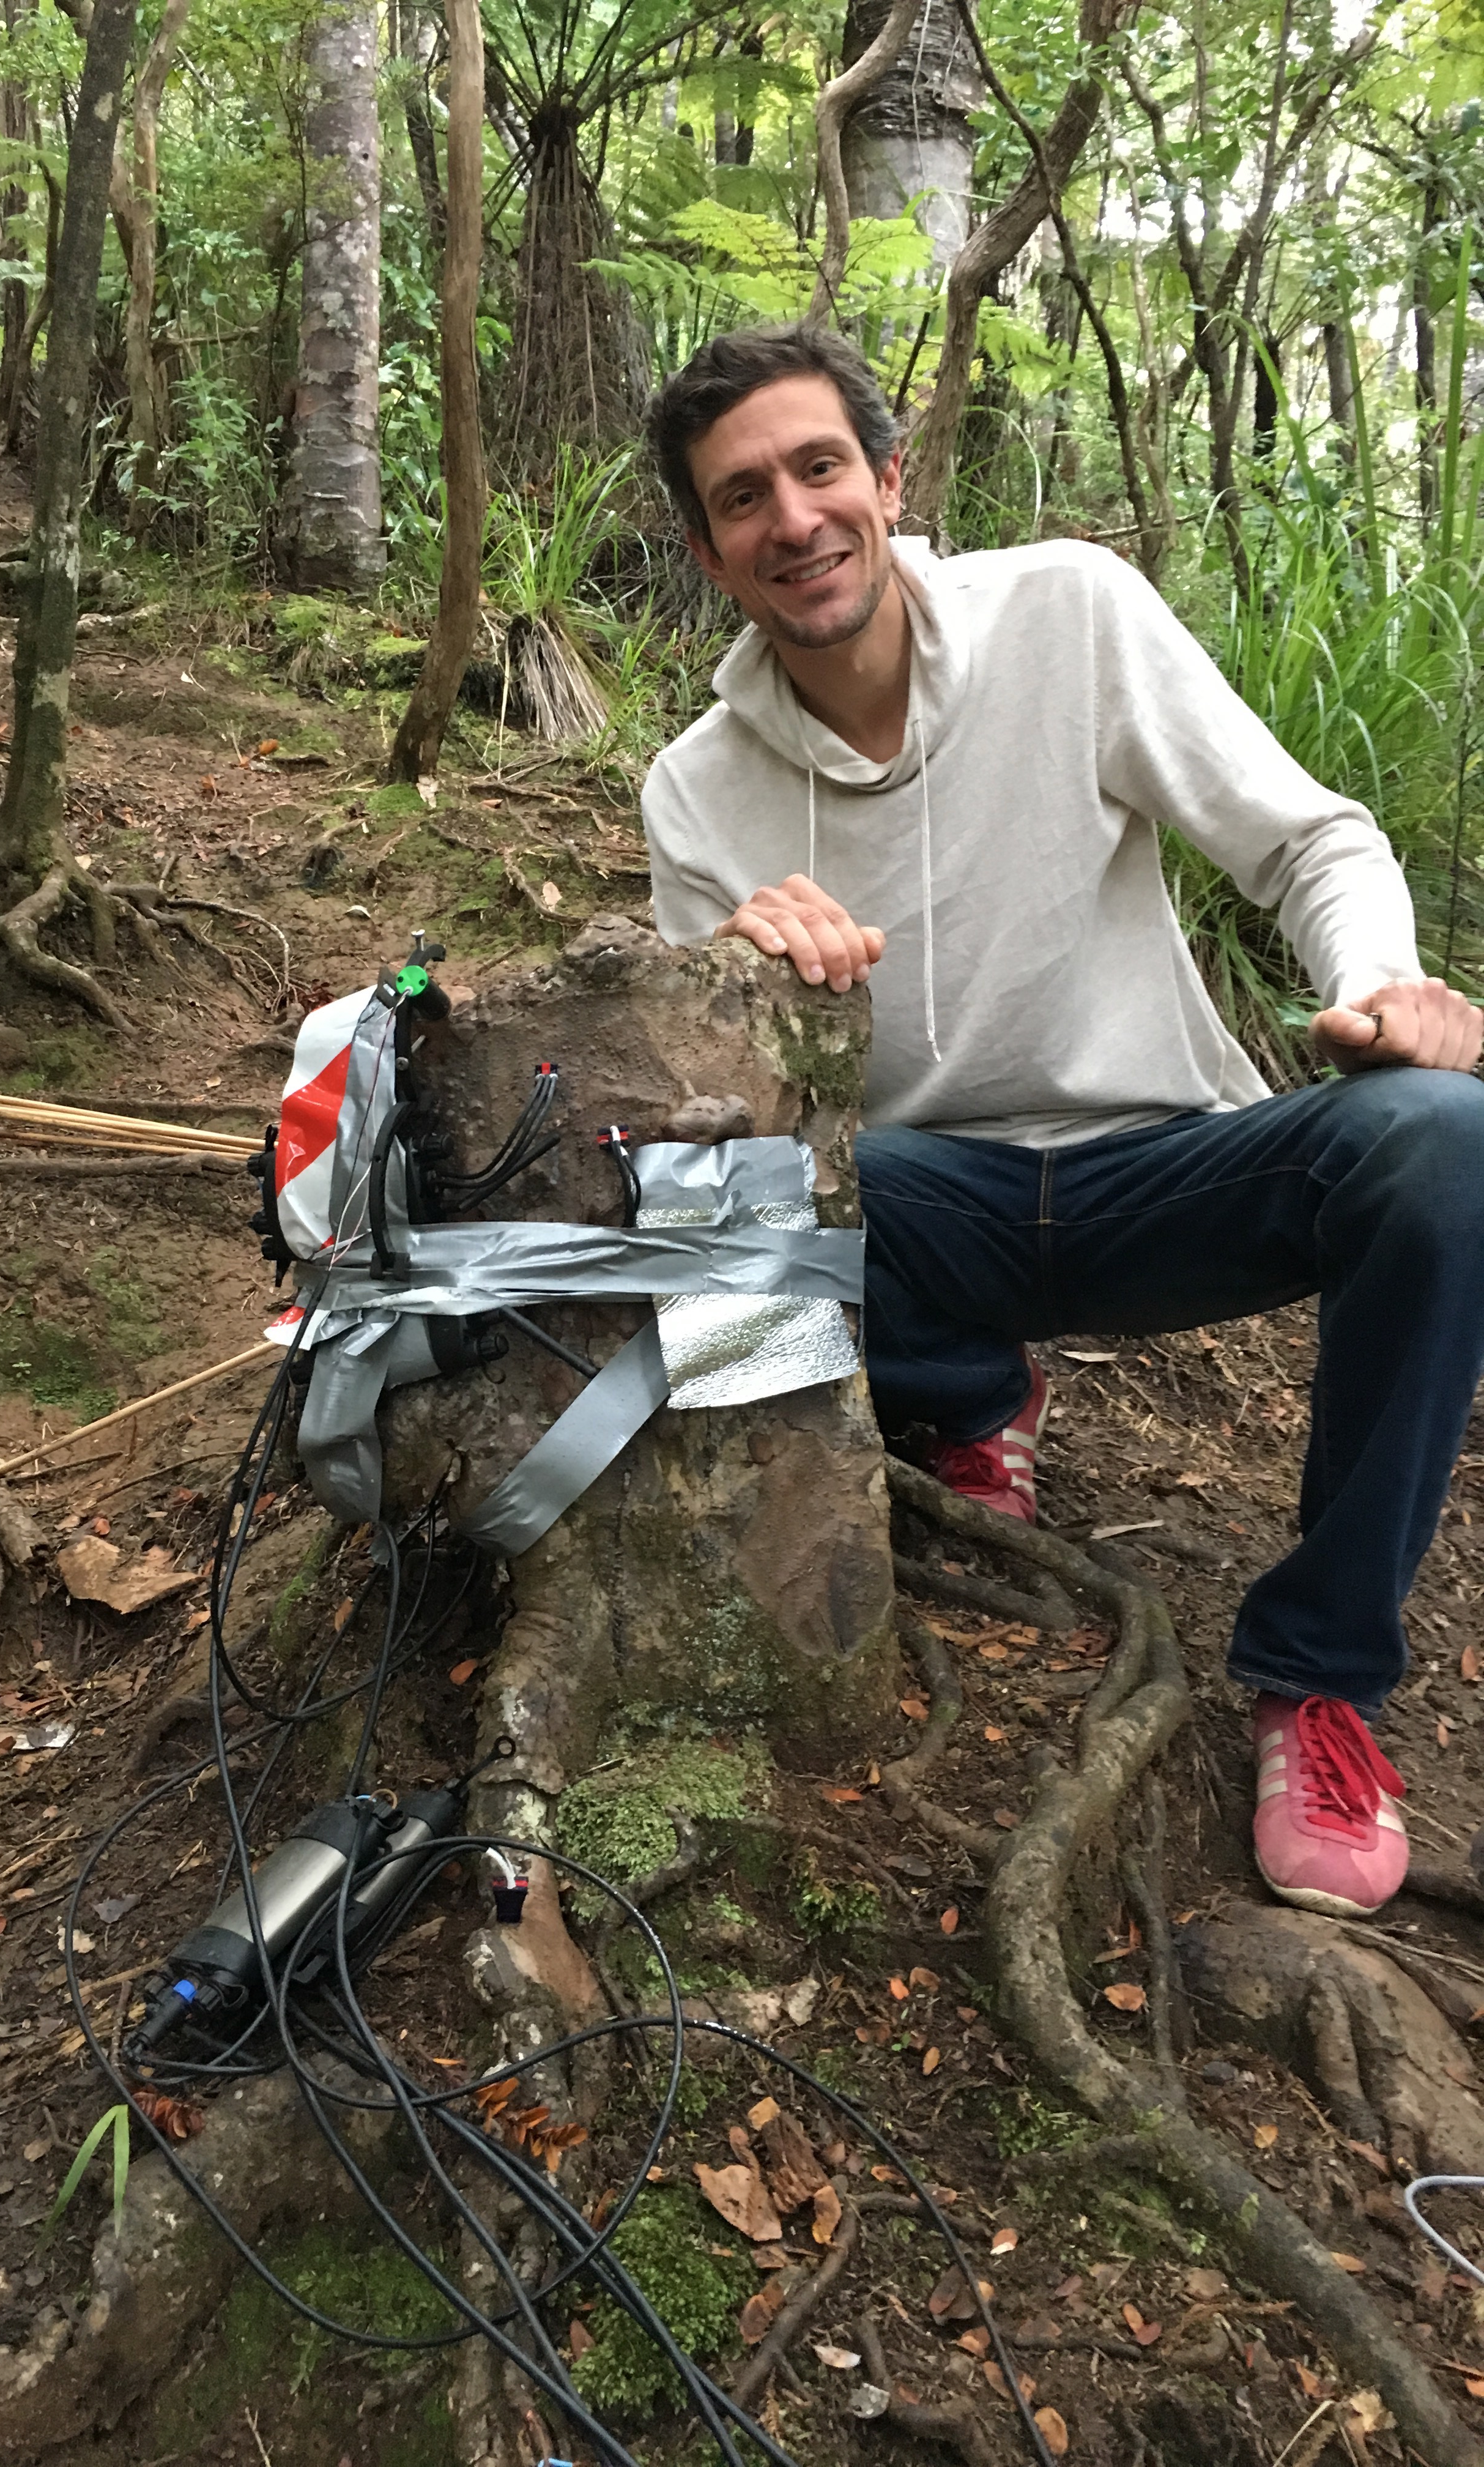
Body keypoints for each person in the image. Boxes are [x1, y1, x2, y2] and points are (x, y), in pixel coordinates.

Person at [639, 321, 1484, 1922]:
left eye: (821, 467)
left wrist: (1383, 990)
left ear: (889, 479)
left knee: (1445, 1143)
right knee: (715, 1195)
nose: (796, 518)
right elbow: (713, 1116)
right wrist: (747, 994)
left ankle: (1317, 1686)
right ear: (708, 554)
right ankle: (948, 1421)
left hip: (1156, 1170)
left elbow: (1312, 840)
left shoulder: (1069, 617)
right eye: (744, 499)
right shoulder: (696, 793)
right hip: (922, 1200)